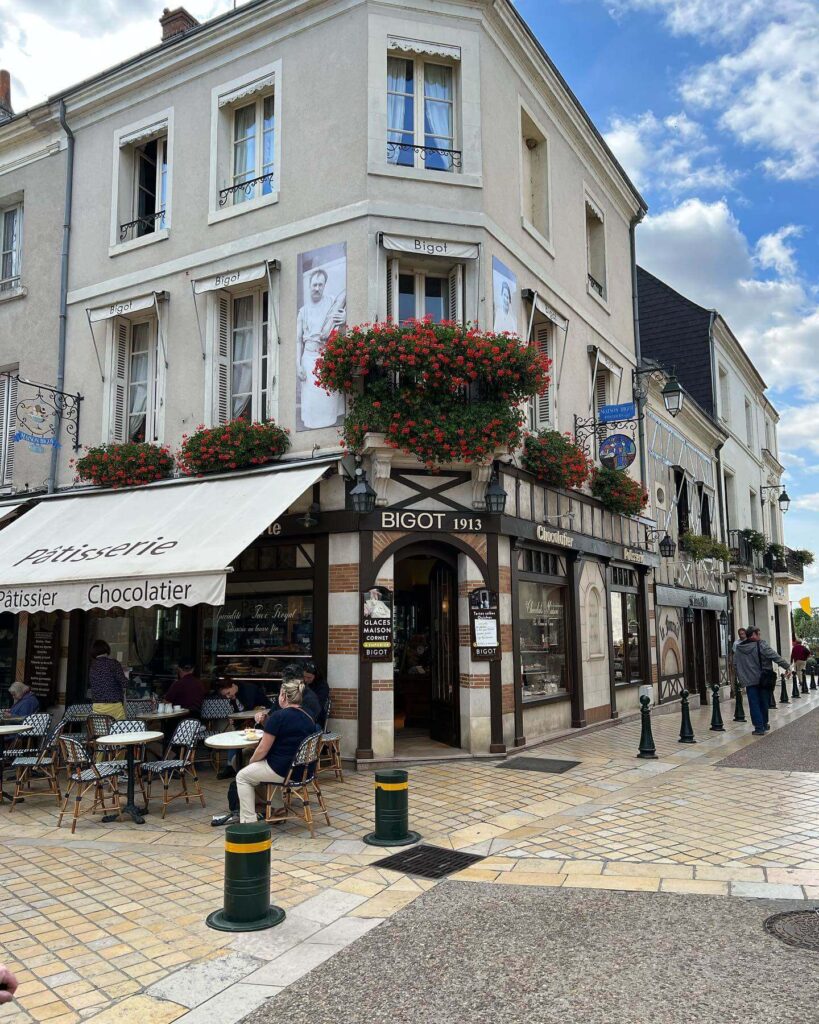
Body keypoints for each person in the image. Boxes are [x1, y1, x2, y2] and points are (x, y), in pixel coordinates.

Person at [236, 678, 318, 824]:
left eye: (279, 694)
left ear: (284, 696)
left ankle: (248, 822)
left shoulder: (278, 717)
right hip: (304, 770)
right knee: (263, 767)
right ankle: (277, 808)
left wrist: (251, 764)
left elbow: (262, 749)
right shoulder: (308, 715)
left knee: (243, 776)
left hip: (282, 770)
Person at [296, 268, 345, 429]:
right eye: (314, 284)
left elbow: (341, 329)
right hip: (309, 359)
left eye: (320, 285)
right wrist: (298, 365)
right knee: (312, 403)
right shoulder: (303, 311)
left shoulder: (332, 302)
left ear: (324, 286)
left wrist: (343, 319)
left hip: (326, 356)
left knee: (328, 398)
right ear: (310, 286)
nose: (317, 288)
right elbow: (298, 340)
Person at [733, 625, 791, 736]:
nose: (760, 636)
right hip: (763, 679)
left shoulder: (739, 649)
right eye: (758, 634)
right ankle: (763, 724)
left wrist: (743, 677)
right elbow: (775, 656)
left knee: (754, 704)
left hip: (750, 681)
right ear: (753, 635)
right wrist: (787, 667)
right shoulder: (761, 645)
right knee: (764, 702)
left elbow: (736, 665)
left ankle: (759, 727)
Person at [214, 677, 272, 779]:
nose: (228, 696)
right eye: (225, 695)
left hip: (262, 720)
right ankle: (231, 764)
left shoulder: (248, 689)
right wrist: (235, 719)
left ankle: (234, 765)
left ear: (232, 686)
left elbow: (248, 709)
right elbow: (240, 712)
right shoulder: (234, 696)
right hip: (248, 720)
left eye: (228, 693)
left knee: (238, 735)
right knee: (234, 735)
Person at [89, 639, 128, 720]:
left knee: (101, 732)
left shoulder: (92, 666)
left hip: (97, 708)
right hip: (114, 708)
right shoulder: (113, 663)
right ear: (107, 649)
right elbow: (124, 683)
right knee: (120, 732)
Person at [303, 661, 330, 728]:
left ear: (315, 676)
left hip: (316, 717)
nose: (306, 680)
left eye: (309, 678)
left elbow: (319, 705)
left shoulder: (322, 686)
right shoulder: (301, 683)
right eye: (304, 676)